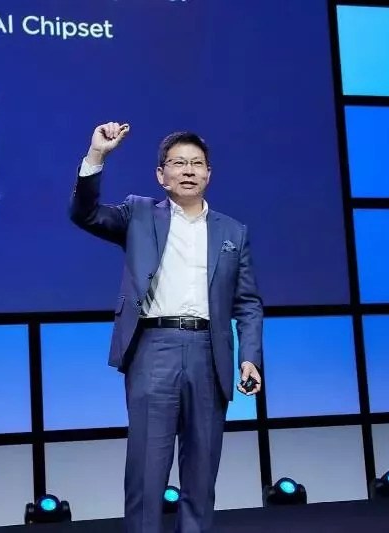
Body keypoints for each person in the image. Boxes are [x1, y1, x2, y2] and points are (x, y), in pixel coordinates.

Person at [69, 122, 264, 533]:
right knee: (147, 471)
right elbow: (84, 214)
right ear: (162, 175)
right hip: (153, 348)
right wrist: (97, 155)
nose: (188, 170)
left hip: (210, 354)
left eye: (197, 163)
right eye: (178, 163)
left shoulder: (233, 231)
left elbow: (247, 303)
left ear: (208, 173)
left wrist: (250, 358)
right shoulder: (139, 213)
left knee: (201, 475)